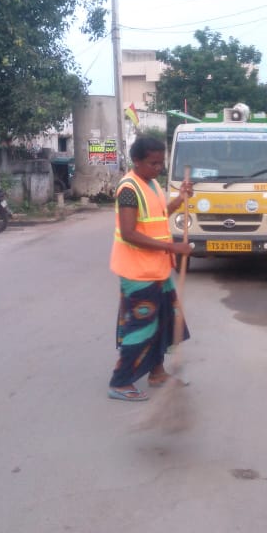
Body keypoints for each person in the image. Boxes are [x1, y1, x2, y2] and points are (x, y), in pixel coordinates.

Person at [108, 136, 194, 402]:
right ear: (137, 161)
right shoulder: (128, 189)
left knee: (164, 322)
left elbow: (158, 215)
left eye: (160, 163)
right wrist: (172, 247)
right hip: (137, 272)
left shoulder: (152, 183)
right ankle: (120, 382)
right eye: (153, 163)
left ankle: (157, 373)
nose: (158, 168)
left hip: (158, 269)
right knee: (141, 327)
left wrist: (180, 199)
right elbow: (129, 232)